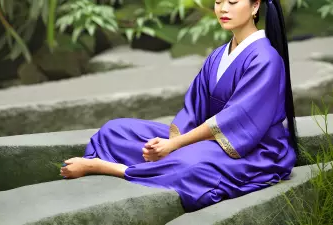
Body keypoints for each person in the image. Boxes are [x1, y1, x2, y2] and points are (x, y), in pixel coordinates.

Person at [60, 0, 298, 212]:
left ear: (255, 6)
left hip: (253, 150)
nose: (223, 9)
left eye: (233, 1)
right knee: (115, 131)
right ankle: (159, 162)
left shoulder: (265, 58)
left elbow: (235, 120)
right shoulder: (218, 55)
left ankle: (109, 168)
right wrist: (170, 143)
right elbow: (194, 108)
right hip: (204, 139)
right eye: (218, 2)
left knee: (190, 166)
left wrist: (174, 145)